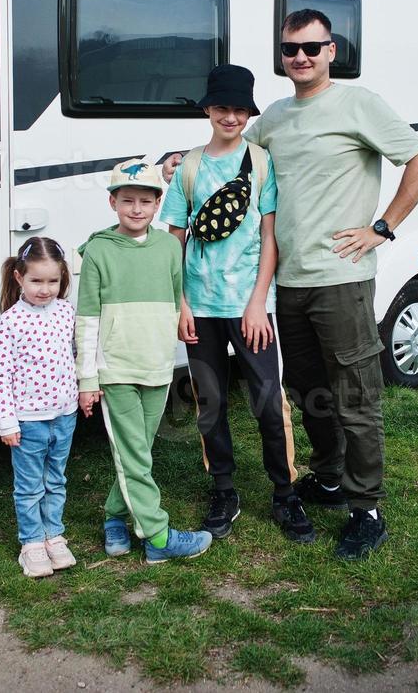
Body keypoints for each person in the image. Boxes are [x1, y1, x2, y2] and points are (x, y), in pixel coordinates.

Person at [249, 8, 418, 560]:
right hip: (290, 280)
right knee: (310, 392)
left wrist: (383, 227)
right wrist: (177, 162)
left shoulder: (358, 104)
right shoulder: (277, 116)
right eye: (291, 49)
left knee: (356, 396)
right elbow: (236, 152)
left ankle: (367, 510)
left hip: (343, 279)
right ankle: (330, 480)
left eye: (312, 47)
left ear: (332, 50)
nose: (301, 57)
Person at [162, 64, 314, 544]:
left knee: (269, 400)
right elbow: (174, 241)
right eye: (222, 108)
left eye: (240, 110)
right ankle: (223, 489)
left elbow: (270, 238)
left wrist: (256, 305)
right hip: (199, 309)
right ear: (208, 110)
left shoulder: (262, 162)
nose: (231, 117)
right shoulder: (188, 167)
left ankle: (285, 492)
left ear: (249, 114)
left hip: (249, 306)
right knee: (209, 403)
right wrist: (181, 304)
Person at [75, 159, 214, 564]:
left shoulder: (170, 247)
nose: (136, 209)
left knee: (138, 452)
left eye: (146, 202)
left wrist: (179, 333)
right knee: (133, 451)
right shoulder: (99, 249)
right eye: (128, 201)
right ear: (112, 202)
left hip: (157, 366)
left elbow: (176, 300)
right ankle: (157, 537)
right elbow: (86, 319)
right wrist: (87, 379)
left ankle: (115, 519)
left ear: (157, 206)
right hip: (116, 369)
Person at [0, 236, 79, 579]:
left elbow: (74, 355)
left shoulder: (67, 312)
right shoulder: (11, 322)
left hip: (64, 414)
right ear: (19, 278)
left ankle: (53, 535)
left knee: (56, 479)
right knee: (29, 484)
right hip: (28, 421)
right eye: (36, 281)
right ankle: (31, 542)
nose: (45, 289)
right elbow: (1, 376)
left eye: (52, 281)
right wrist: (7, 422)